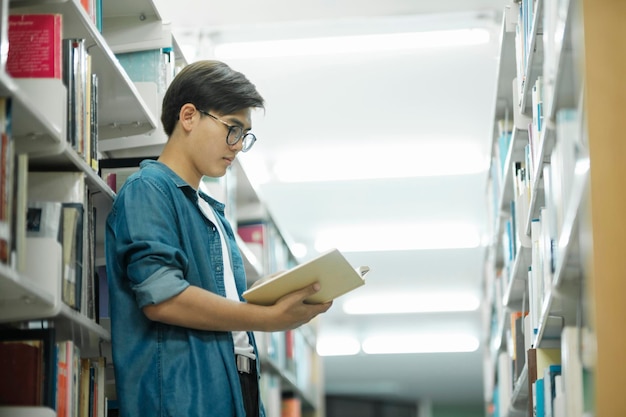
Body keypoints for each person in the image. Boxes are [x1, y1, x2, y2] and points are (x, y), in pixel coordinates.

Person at [105, 60, 332, 417]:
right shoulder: (148, 189)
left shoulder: (213, 214)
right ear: (190, 116)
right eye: (233, 129)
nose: (238, 145)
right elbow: (163, 299)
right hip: (185, 399)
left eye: (244, 135)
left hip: (236, 389)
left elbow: (218, 306)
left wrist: (270, 294)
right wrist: (267, 319)